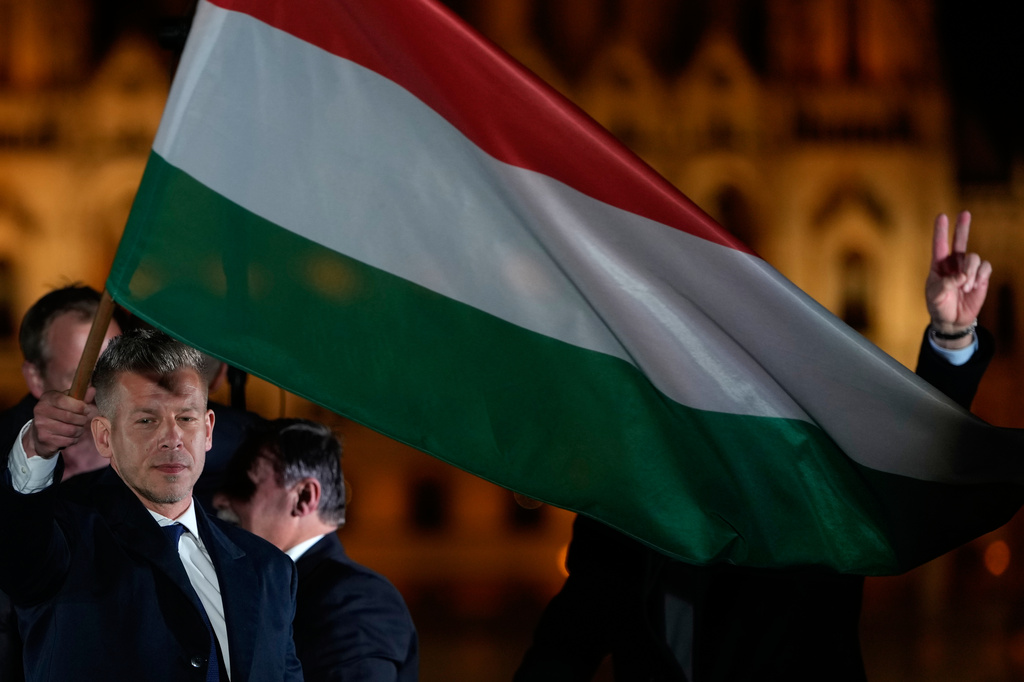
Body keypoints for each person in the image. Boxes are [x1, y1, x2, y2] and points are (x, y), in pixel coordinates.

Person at [514, 211, 996, 682]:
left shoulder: (816, 477)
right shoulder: (626, 500)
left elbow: (914, 465)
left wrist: (951, 339)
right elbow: (567, 644)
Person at [0, 328, 303, 681]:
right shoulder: (64, 537)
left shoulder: (270, 570)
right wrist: (37, 447)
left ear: (207, 430)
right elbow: (19, 546)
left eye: (186, 418)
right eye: (147, 420)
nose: (172, 439)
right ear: (103, 436)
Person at [214, 419, 418, 682]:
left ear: (304, 497)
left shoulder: (356, 600)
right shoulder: (278, 586)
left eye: (244, 483)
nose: (219, 499)